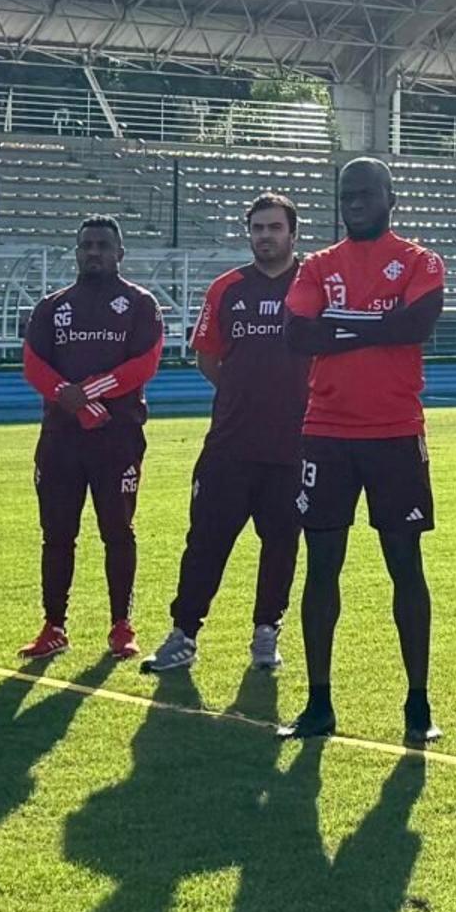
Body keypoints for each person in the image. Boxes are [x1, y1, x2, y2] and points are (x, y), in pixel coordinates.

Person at [282, 156, 446, 744]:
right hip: (326, 431)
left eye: (365, 192)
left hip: (395, 431)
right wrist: (378, 322)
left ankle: (418, 703)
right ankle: (319, 701)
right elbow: (298, 333)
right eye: (346, 193)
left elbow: (418, 326)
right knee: (321, 566)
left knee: (406, 564)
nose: (354, 201)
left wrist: (341, 325)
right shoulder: (318, 265)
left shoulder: (420, 260)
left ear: (389, 196)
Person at [151, 192, 308, 678]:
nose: (265, 236)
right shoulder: (227, 288)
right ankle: (184, 634)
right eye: (257, 228)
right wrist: (245, 394)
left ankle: (267, 632)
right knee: (206, 541)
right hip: (230, 445)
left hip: (294, 446)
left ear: (292, 233)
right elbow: (207, 357)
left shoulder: (315, 285)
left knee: (281, 543)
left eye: (274, 228)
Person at [19, 216, 165, 661]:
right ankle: (54, 625)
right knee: (57, 534)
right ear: (77, 252)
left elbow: (146, 362)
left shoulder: (139, 304)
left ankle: (121, 625)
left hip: (117, 439)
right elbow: (33, 364)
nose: (94, 252)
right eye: (86, 245)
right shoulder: (52, 307)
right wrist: (74, 402)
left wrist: (92, 394)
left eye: (103, 245)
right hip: (61, 441)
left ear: (120, 253)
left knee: (117, 531)